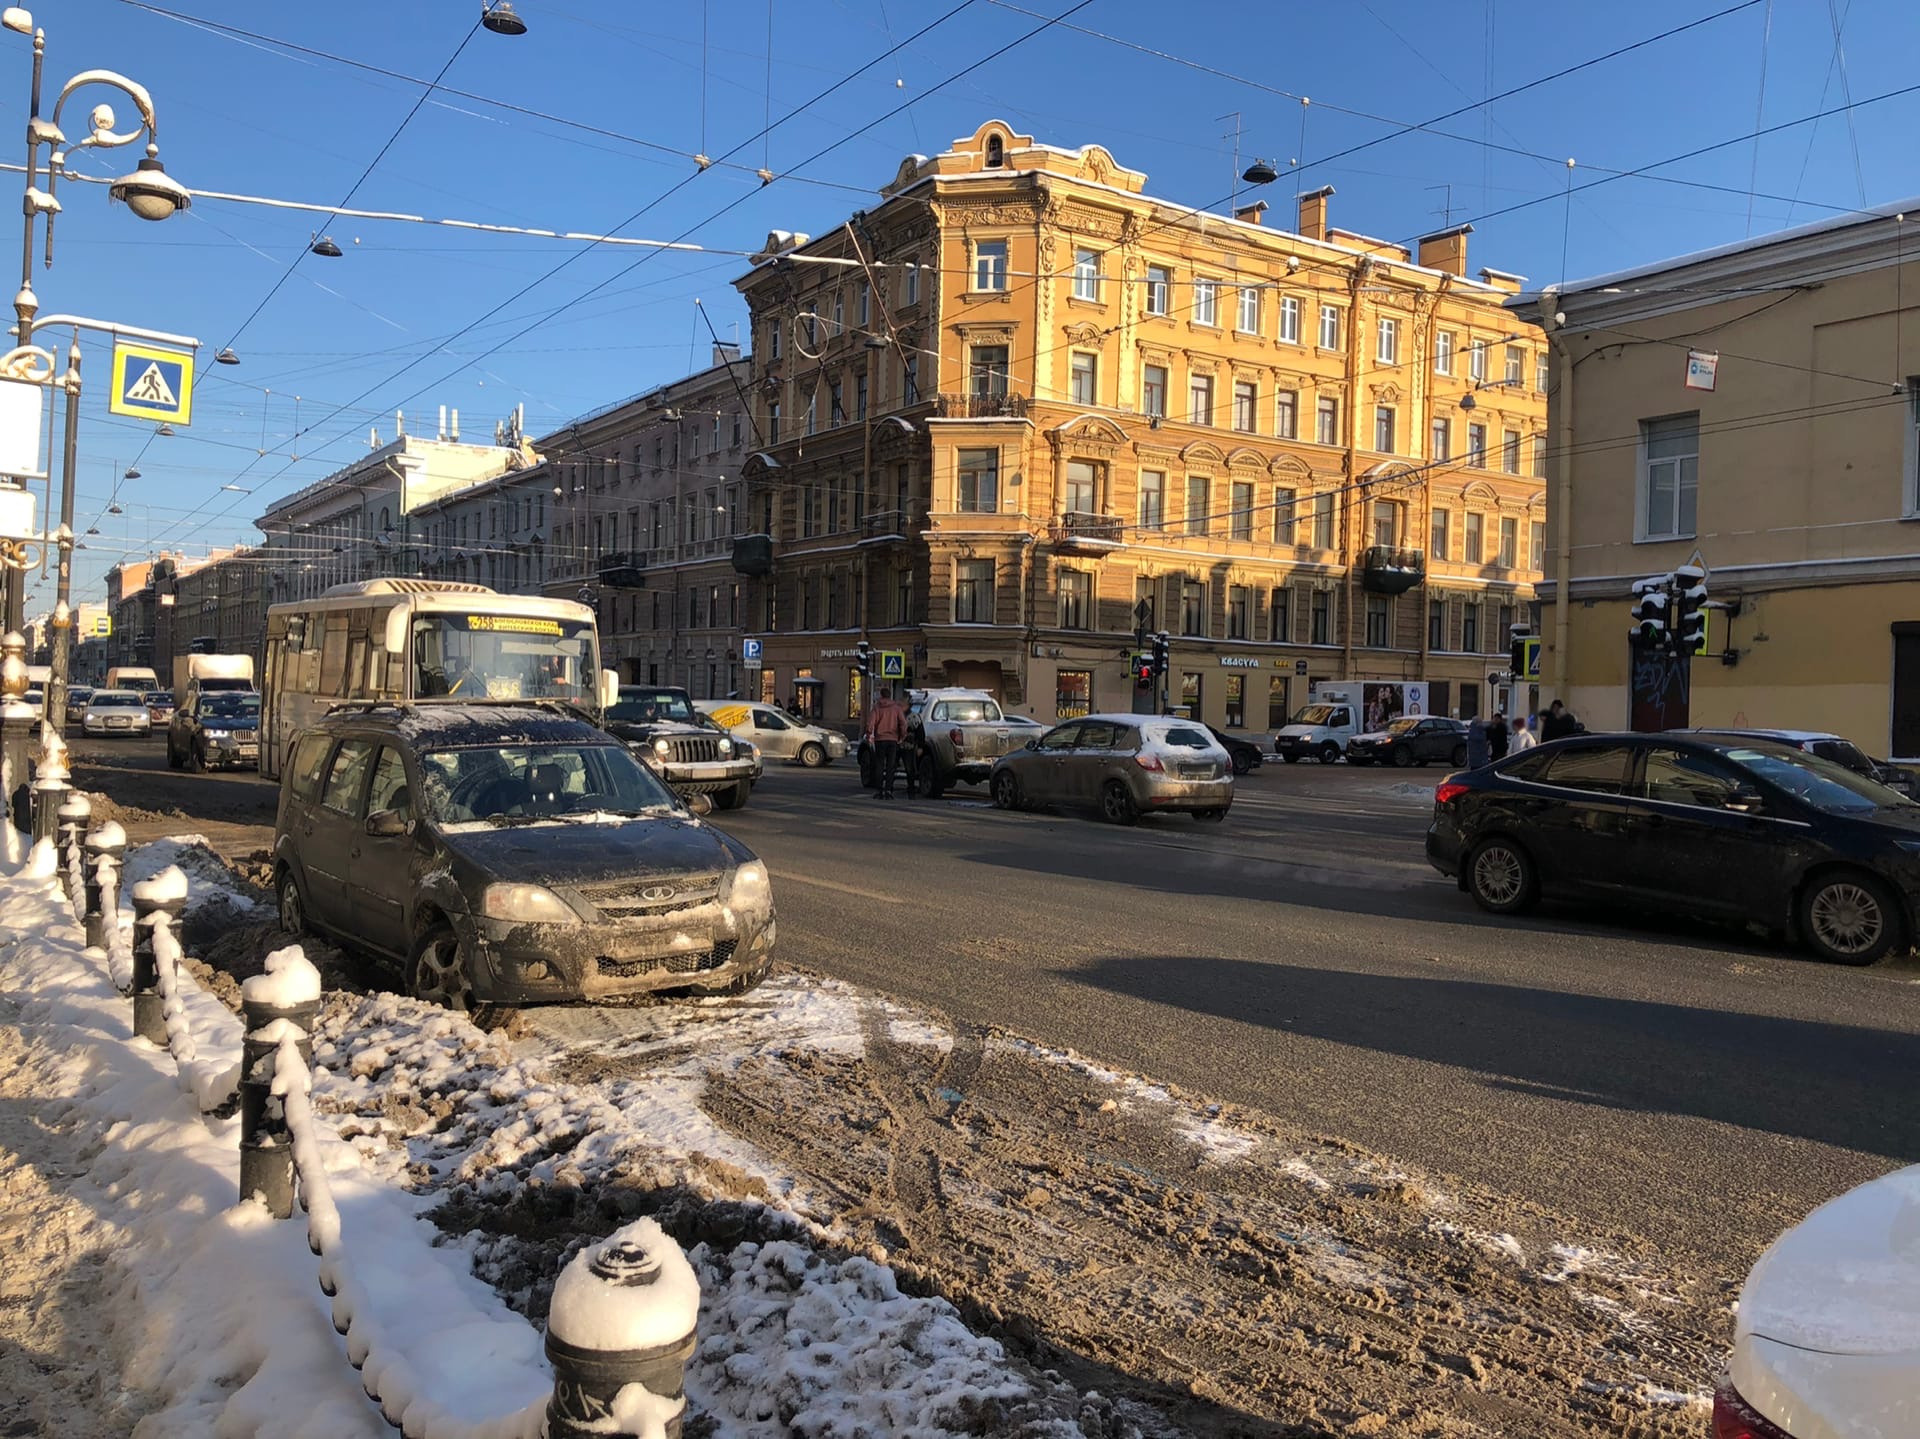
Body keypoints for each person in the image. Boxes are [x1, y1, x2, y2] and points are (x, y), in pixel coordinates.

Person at [868, 686, 908, 799]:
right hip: (893, 740)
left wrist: (869, 734)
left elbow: (870, 723)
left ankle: (879, 789)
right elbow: (903, 723)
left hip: (880, 739)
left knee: (879, 765)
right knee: (891, 766)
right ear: (890, 695)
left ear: (881, 695)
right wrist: (902, 736)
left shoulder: (876, 708)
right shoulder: (896, 708)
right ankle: (889, 790)